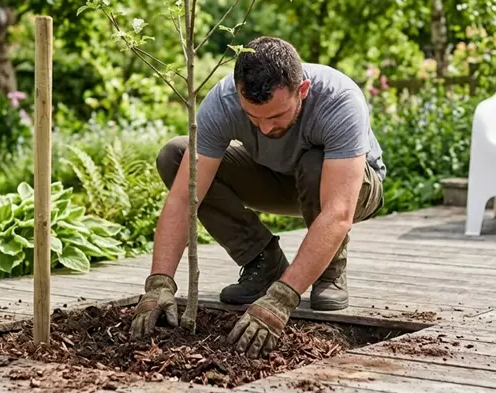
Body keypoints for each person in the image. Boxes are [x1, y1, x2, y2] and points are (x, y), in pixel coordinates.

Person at [128, 36, 386, 358]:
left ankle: (329, 272)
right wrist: (159, 283)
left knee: (313, 163)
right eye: (254, 117)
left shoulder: (339, 99)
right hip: (275, 178)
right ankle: (263, 263)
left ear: (301, 90)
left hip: (350, 187)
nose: (265, 129)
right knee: (176, 157)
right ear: (238, 92)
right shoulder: (223, 101)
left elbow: (338, 212)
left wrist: (282, 299)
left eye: (276, 116)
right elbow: (184, 198)